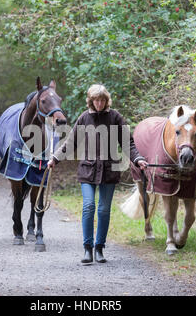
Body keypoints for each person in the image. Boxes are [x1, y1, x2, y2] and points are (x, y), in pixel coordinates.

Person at [47, 84, 148, 264]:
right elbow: (70, 144)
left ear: (106, 100)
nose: (99, 103)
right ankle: (88, 249)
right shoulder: (84, 118)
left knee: (103, 209)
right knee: (88, 207)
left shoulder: (115, 117)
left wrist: (138, 159)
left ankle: (99, 248)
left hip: (109, 171)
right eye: (96, 100)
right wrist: (55, 158)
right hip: (88, 170)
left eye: (102, 100)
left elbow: (128, 144)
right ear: (91, 101)